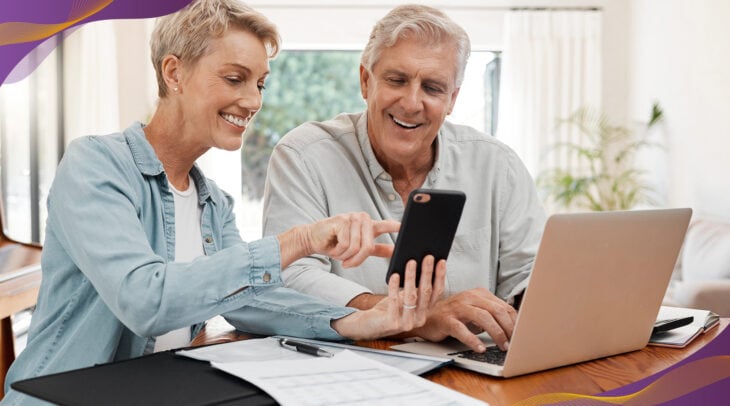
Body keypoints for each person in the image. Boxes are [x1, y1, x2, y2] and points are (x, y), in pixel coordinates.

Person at [1, 1, 446, 403]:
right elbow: (145, 300)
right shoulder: (96, 164)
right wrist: (297, 241)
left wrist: (354, 321)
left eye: (260, 84)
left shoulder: (213, 201)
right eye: (235, 78)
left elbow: (249, 301)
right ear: (174, 73)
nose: (252, 100)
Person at [263, 4, 546, 354]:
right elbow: (287, 277)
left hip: (473, 364)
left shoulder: (497, 164)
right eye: (397, 80)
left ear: (452, 99)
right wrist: (412, 317)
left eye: (432, 87)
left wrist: (537, 298)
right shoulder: (305, 155)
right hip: (354, 367)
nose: (412, 103)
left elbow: (533, 271)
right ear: (366, 81)